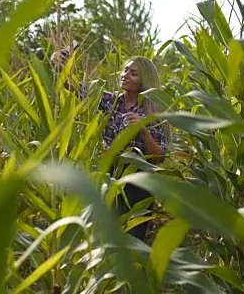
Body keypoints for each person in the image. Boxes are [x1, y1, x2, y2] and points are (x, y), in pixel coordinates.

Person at [51, 49, 168, 240]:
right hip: (110, 178)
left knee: (131, 240)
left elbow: (158, 157)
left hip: (139, 184)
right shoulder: (110, 101)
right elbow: (73, 87)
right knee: (106, 237)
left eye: (133, 73)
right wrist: (59, 64)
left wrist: (142, 129)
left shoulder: (151, 110)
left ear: (144, 81)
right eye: (125, 70)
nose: (125, 75)